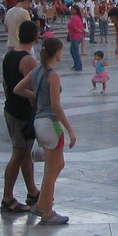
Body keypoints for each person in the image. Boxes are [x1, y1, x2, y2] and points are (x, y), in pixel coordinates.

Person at [13, 37, 76, 225]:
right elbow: (56, 106)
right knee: (50, 171)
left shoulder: (36, 71)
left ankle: (42, 203)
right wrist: (70, 130)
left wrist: (38, 97)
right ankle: (47, 212)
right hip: (51, 123)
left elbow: (17, 89)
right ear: (56, 52)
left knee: (58, 165)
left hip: (39, 122)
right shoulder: (53, 75)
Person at [0, 20, 40, 214]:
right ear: (36, 36)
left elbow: (5, 84)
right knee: (18, 155)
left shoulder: (9, 55)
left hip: (10, 108)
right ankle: (7, 198)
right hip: (22, 113)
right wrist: (38, 113)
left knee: (25, 154)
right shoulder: (28, 60)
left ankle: (32, 191)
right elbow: (32, 88)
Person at [66, 4, 85, 72]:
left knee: (75, 51)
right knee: (72, 50)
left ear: (76, 10)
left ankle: (78, 66)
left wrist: (78, 30)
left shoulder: (74, 18)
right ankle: (76, 64)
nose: (71, 10)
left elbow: (74, 27)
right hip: (79, 36)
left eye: (72, 9)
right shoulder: (78, 17)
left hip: (75, 36)